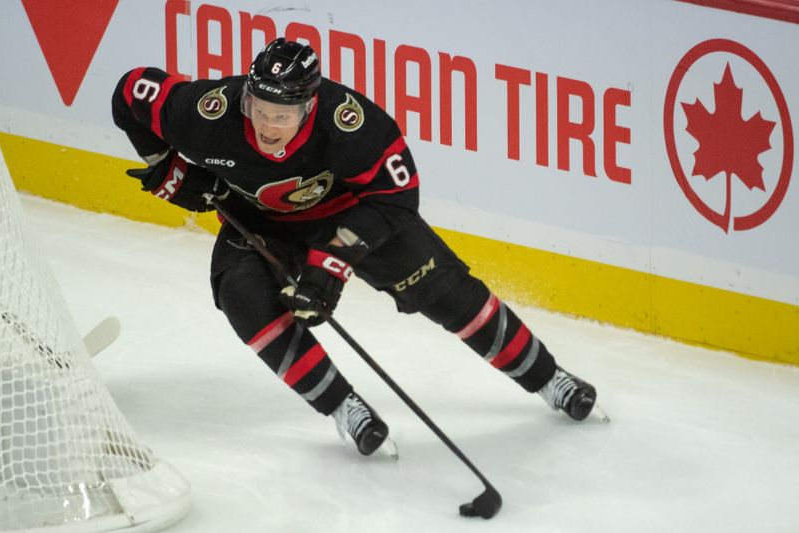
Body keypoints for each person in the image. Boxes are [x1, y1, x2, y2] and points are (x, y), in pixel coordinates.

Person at [112, 38, 598, 456]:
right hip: (263, 222)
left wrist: (332, 264)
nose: (267, 125)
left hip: (351, 216)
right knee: (242, 295)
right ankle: (344, 407)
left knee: (446, 293)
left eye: (281, 115)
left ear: (308, 106)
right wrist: (168, 169)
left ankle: (548, 378)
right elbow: (130, 90)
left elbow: (397, 199)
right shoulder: (207, 110)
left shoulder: (350, 125)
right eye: (259, 110)